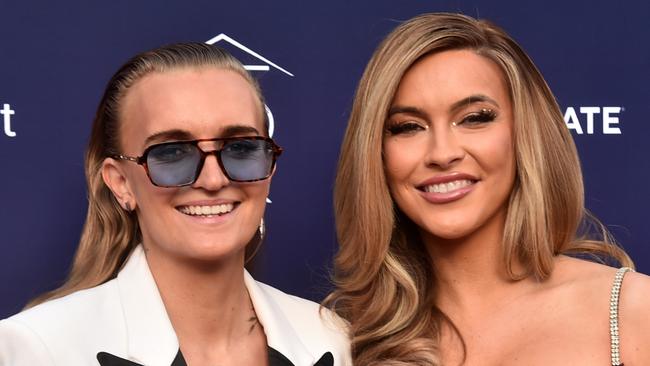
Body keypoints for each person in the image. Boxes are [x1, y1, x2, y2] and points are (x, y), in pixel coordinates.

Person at [325, 13, 650, 366]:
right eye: (408, 127)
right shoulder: (344, 341)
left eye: (475, 118)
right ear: (376, 152)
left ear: (524, 132)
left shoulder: (633, 313)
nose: (442, 153)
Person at [0, 43, 349, 366]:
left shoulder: (331, 338)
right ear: (121, 183)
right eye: (171, 153)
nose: (213, 181)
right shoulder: (37, 347)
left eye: (241, 148)